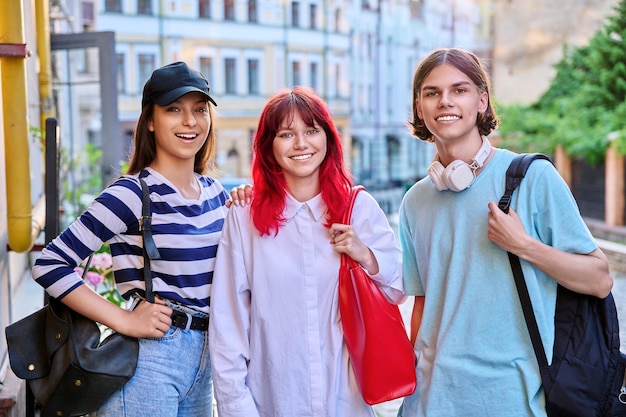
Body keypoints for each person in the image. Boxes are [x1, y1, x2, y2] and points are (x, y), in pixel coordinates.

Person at [397, 47, 613, 417]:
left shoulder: (532, 178)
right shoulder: (415, 201)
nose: (444, 101)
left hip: (512, 400)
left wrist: (524, 245)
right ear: (420, 107)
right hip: (430, 401)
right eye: (432, 93)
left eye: (459, 90)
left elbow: (600, 279)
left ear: (482, 100)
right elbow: (421, 306)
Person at [32, 61, 228, 417]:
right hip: (152, 360)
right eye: (174, 110)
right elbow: (49, 264)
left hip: (206, 359)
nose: (190, 121)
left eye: (199, 110)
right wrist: (122, 320)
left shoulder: (217, 194)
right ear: (150, 121)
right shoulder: (133, 194)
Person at [208, 86, 405, 417]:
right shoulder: (244, 218)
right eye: (286, 134)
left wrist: (364, 254)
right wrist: (237, 408)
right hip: (271, 402)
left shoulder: (358, 208)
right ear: (269, 146)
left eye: (312, 130)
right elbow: (227, 327)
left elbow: (398, 288)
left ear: (328, 138)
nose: (301, 144)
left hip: (346, 403)